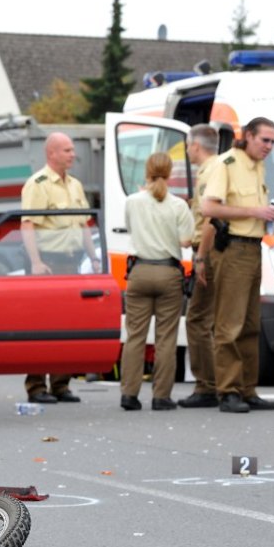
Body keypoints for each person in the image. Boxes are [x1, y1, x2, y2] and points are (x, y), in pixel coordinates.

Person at [200, 117, 274, 413]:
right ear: (248, 136)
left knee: (250, 325)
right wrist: (253, 210)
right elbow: (208, 207)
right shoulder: (228, 163)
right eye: (265, 140)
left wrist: (268, 216)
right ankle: (229, 390)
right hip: (233, 248)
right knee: (229, 324)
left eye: (272, 141)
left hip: (253, 248)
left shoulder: (257, 165)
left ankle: (248, 389)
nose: (270, 147)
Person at [19, 132, 101, 404]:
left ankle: (61, 384)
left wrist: (94, 257)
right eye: (66, 150)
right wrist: (36, 262)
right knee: (41, 325)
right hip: (48, 262)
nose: (72, 154)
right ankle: (36, 385)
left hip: (71, 260)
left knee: (67, 323)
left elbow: (84, 224)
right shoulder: (38, 184)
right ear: (51, 153)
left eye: (72, 150)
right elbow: (28, 224)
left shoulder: (75, 185)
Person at [118, 153, 194, 411]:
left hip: (139, 271)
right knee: (166, 338)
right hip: (168, 273)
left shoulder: (132, 201)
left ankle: (129, 394)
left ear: (146, 172)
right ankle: (161, 396)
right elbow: (186, 241)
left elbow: (130, 229)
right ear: (170, 173)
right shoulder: (178, 205)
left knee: (135, 336)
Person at [178, 125, 221, 408]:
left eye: (188, 146)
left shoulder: (209, 172)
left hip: (209, 251)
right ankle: (218, 382)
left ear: (195, 146)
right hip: (212, 249)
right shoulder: (218, 167)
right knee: (213, 319)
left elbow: (209, 219)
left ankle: (207, 384)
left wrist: (201, 256)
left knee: (197, 319)